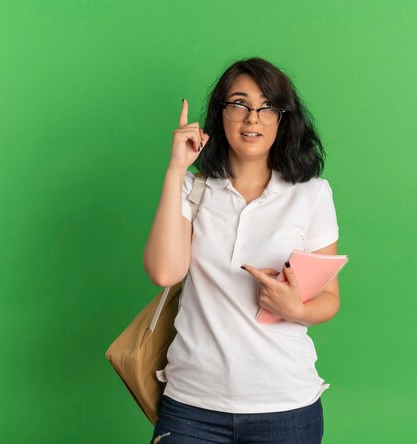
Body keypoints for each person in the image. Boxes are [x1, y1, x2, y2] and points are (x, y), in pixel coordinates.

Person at [143, 57, 340, 443]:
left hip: (285, 408)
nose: (253, 118)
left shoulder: (312, 194)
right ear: (221, 114)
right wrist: (176, 169)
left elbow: (329, 299)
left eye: (268, 107)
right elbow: (164, 273)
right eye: (239, 104)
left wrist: (296, 309)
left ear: (283, 119)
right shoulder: (192, 189)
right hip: (191, 407)